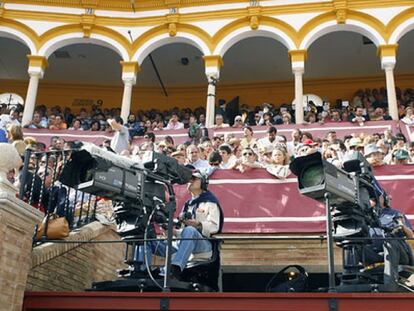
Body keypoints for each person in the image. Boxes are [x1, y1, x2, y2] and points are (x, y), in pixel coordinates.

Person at [142, 171, 223, 280]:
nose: (190, 181)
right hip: (183, 243)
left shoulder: (210, 201)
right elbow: (182, 232)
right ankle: (142, 269)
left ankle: (174, 268)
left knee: (190, 230)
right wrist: (172, 231)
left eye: (194, 179)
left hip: (204, 246)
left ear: (203, 182)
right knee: (148, 239)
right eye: (189, 180)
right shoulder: (187, 205)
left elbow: (214, 227)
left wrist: (198, 224)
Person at [367, 192, 413, 288]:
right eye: (371, 197)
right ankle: (348, 280)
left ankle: (390, 284)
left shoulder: (395, 213)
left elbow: (410, 235)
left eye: (377, 196)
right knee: (353, 244)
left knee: (389, 242)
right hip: (377, 254)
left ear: (384, 198)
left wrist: (402, 226)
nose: (373, 198)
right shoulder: (366, 216)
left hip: (399, 254)